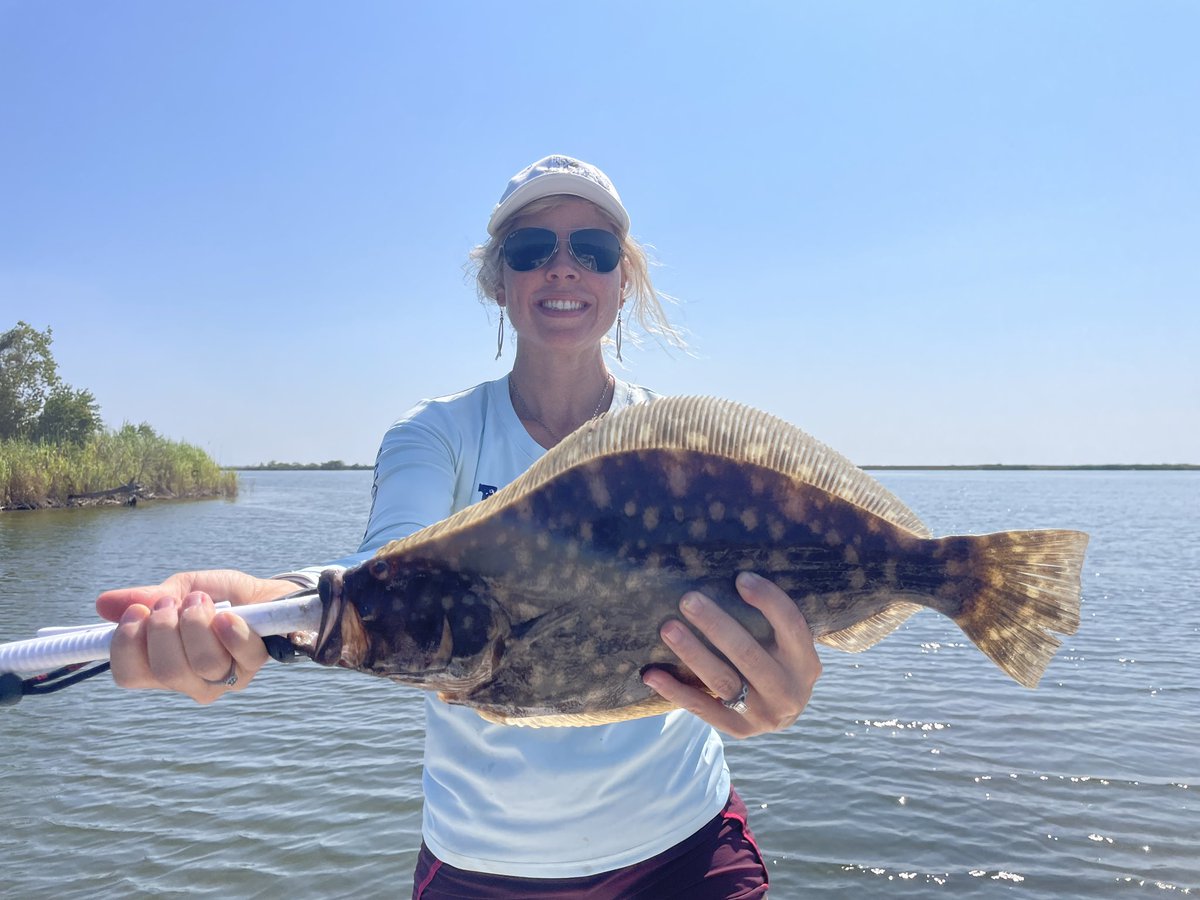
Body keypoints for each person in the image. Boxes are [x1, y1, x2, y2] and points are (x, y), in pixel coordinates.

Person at [97, 155, 823, 898]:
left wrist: (772, 693)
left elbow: (776, 584)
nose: (564, 268)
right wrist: (270, 610)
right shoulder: (436, 435)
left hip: (684, 848)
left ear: (622, 280)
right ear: (499, 282)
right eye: (532, 249)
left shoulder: (680, 455)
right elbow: (387, 562)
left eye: (594, 251)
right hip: (482, 866)